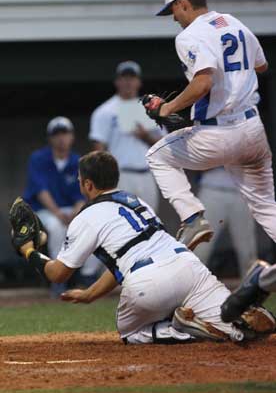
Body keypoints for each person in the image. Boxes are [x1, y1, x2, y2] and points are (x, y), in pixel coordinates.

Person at [17, 151, 275, 344]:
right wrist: (91, 294)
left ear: (88, 184)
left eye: (81, 180)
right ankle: (234, 320)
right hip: (189, 267)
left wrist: (28, 251)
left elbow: (57, 274)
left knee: (128, 331)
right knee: (239, 331)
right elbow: (127, 258)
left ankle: (179, 328)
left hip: (148, 283)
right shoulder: (136, 201)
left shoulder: (85, 217)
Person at [144, 0, 276, 252]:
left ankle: (192, 218)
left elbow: (203, 83)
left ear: (184, 4)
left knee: (157, 156)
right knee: (266, 207)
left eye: (174, 11)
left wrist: (167, 108)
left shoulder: (188, 35)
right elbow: (262, 66)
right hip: (252, 128)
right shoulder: (233, 22)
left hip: (218, 132)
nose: (174, 19)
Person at [23, 116, 100, 296]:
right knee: (57, 228)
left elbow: (84, 192)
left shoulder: (78, 161)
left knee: (92, 227)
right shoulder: (38, 158)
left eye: (64, 133)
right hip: (43, 210)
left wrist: (75, 212)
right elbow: (41, 191)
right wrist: (58, 213)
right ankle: (58, 278)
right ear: (50, 138)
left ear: (72, 137)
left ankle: (88, 276)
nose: (61, 138)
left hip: (70, 209)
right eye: (56, 134)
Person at [89, 60, 162, 212]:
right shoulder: (105, 111)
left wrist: (146, 136)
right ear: (117, 81)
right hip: (121, 175)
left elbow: (164, 143)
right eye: (124, 78)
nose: (128, 82)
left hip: (147, 173)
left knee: (150, 222)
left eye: (132, 77)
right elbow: (98, 149)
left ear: (138, 82)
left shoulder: (149, 108)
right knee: (121, 221)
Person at [194, 167, 257, 277]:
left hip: (242, 193)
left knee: (247, 251)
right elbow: (193, 163)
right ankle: (191, 288)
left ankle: (251, 291)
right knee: (200, 246)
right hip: (212, 190)